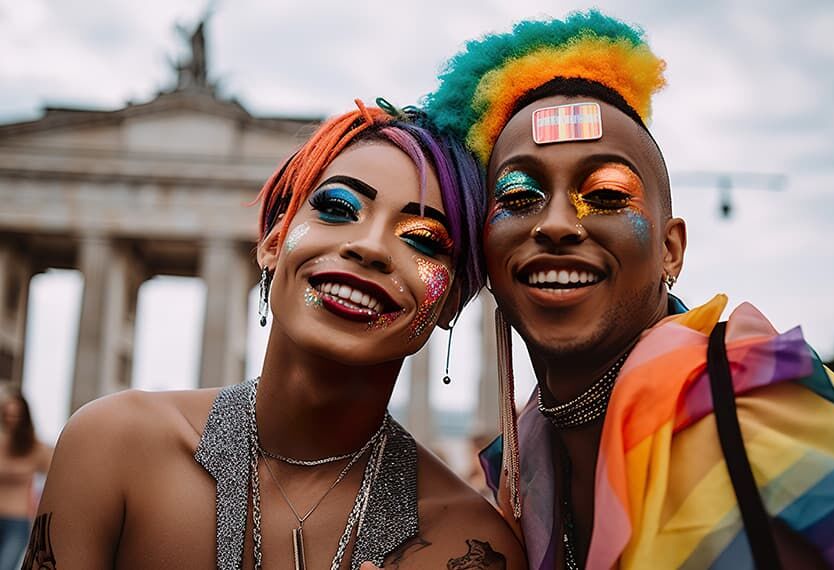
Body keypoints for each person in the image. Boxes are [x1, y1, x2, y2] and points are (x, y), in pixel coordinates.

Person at [23, 100, 526, 569]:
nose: (369, 247)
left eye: (423, 239)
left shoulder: (471, 545)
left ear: (452, 301)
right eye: (337, 207)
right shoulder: (113, 446)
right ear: (273, 241)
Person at [424, 10, 834, 569]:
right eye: (519, 197)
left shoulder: (767, 419)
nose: (555, 224)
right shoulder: (518, 480)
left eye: (607, 194)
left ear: (671, 249)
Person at [0, 390, 51, 570]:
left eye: (15, 415)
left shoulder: (35, 448)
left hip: (17, 521)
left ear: (24, 417)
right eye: (7, 414)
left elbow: (56, 478)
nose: (10, 419)